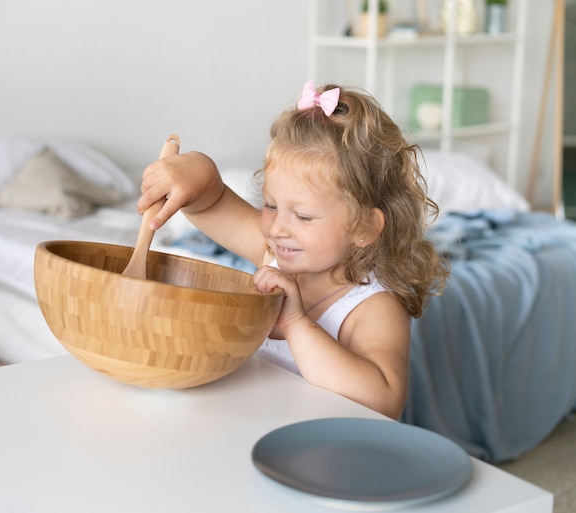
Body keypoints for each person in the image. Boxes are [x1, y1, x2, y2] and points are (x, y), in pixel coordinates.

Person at [137, 81, 448, 419]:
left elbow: (383, 400)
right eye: (271, 205)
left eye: (302, 216)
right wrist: (196, 168)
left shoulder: (372, 306)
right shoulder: (274, 251)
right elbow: (209, 200)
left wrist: (297, 323)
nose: (276, 227)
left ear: (363, 228)